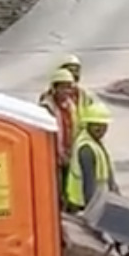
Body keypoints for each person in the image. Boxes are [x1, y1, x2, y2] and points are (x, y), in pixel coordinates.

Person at [38, 67, 95, 195]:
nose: (66, 91)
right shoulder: (46, 108)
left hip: (70, 155)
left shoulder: (71, 106)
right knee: (54, 190)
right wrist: (58, 153)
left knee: (69, 189)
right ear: (54, 88)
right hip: (53, 157)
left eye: (69, 87)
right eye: (63, 87)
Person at [64, 102, 119, 212]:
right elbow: (89, 185)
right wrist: (92, 210)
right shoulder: (86, 149)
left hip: (96, 201)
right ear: (88, 124)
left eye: (103, 126)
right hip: (82, 206)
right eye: (96, 125)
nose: (101, 130)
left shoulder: (95, 142)